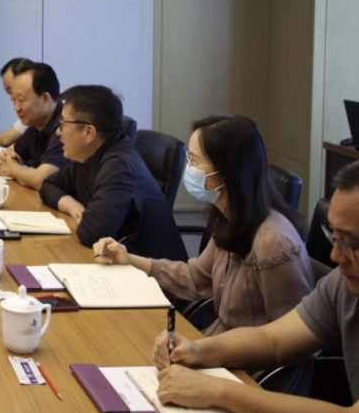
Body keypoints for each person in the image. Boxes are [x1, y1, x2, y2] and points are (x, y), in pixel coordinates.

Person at [148, 154, 359, 413]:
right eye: (333, 236)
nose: (335, 256)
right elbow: (272, 339)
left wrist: (217, 391)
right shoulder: (344, 284)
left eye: (350, 244)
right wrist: (199, 349)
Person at [95, 114, 312, 335]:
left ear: (227, 170)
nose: (189, 168)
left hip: (241, 355)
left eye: (194, 161)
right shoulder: (230, 217)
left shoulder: (273, 241)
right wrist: (129, 259)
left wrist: (202, 350)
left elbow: (292, 337)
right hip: (219, 342)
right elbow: (195, 277)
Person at [40, 85, 186, 261]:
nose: (58, 131)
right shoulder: (88, 155)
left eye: (63, 124)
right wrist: (74, 207)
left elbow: (91, 233)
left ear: (89, 132)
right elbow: (47, 185)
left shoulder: (119, 167)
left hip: (151, 272)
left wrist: (85, 217)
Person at [0, 61, 69, 189]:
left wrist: (12, 169)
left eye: (21, 100)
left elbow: (42, 180)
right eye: (14, 100)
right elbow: (11, 152)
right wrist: (1, 160)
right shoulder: (36, 125)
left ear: (45, 99)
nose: (16, 108)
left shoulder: (66, 125)